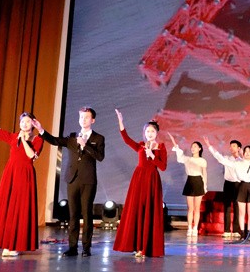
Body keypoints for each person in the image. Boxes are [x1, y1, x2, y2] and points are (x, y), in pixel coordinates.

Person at [34, 108, 105, 257]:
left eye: (86, 117)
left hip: (88, 180)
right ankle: (72, 247)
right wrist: (41, 130)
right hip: (72, 179)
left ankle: (86, 248)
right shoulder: (73, 137)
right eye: (81, 117)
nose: (83, 120)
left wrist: (86, 145)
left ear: (93, 120)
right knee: (73, 215)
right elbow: (55, 140)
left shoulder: (98, 138)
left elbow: (100, 157)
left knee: (87, 214)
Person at [0, 106, 44, 257]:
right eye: (22, 121)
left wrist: (24, 140)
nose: (24, 124)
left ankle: (16, 245)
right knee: (8, 208)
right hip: (11, 174)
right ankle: (7, 244)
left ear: (33, 124)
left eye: (28, 121)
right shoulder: (13, 137)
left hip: (25, 174)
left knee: (20, 208)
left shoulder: (38, 139)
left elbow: (30, 155)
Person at [112, 109, 167, 257]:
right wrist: (121, 122)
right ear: (144, 133)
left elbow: (163, 167)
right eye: (147, 131)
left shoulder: (161, 147)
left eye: (152, 131)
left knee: (149, 211)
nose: (150, 133)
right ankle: (137, 246)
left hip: (152, 180)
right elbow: (126, 139)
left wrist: (152, 156)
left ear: (157, 133)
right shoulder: (141, 145)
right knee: (137, 211)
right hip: (139, 179)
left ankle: (146, 247)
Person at [207, 140, 250, 239]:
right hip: (241, 187)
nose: (247, 153)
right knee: (241, 212)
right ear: (243, 153)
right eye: (245, 151)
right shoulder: (238, 163)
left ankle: (249, 232)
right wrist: (211, 148)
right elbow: (222, 160)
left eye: (249, 152)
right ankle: (242, 232)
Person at [169, 134, 207, 238]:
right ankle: (189, 228)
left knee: (197, 208)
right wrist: (174, 142)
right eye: (192, 146)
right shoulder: (187, 159)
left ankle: (195, 228)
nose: (193, 148)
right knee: (190, 208)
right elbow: (179, 154)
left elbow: (204, 174)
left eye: (195, 146)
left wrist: (205, 186)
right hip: (190, 181)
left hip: (199, 182)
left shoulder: (202, 160)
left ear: (199, 148)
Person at [220, 140, 242, 239]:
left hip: (238, 184)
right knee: (227, 207)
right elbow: (223, 170)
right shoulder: (226, 158)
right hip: (228, 183)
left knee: (237, 207)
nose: (231, 148)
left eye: (234, 146)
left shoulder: (242, 160)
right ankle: (227, 230)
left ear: (239, 148)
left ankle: (236, 230)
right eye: (230, 146)